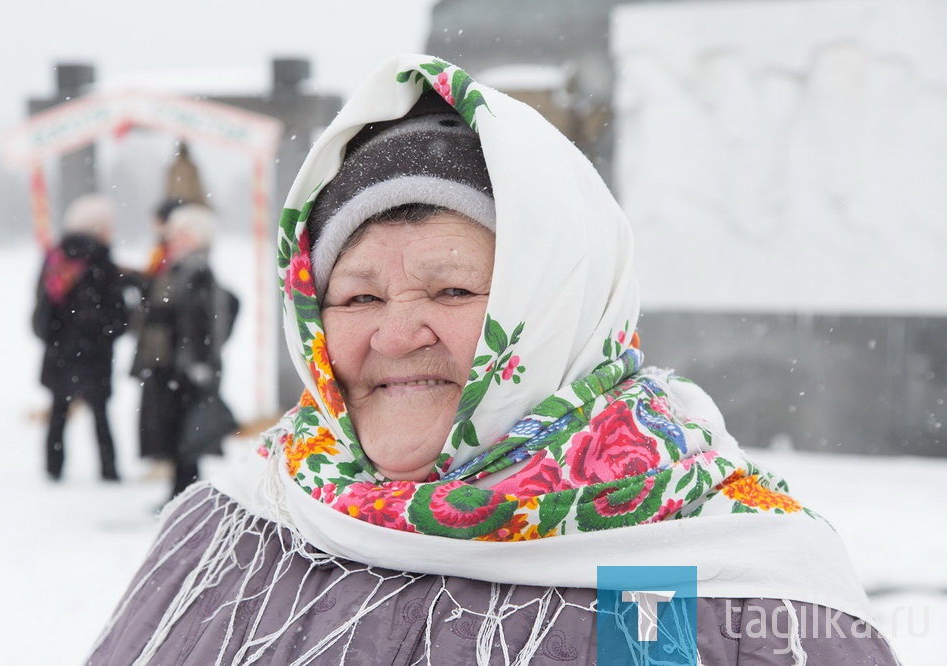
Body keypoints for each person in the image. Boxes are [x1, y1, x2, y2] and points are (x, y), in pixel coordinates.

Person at [88, 56, 899, 664]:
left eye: (450, 291)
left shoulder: (692, 573)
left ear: (555, 306)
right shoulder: (236, 527)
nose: (396, 335)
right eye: (360, 298)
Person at [129, 203, 240, 501]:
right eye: (173, 233)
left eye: (182, 234)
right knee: (180, 437)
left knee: (186, 438)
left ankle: (184, 498)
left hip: (184, 369)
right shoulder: (180, 268)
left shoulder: (196, 270)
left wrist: (195, 365)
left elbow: (200, 324)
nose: (173, 239)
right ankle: (180, 496)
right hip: (176, 368)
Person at [32, 194, 127, 482]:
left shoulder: (55, 259)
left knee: (59, 411)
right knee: (100, 413)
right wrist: (111, 331)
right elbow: (116, 314)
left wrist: (54, 337)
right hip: (95, 353)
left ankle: (53, 467)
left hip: (58, 350)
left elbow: (41, 308)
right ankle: (108, 470)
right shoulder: (102, 261)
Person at [128, 198, 185, 474]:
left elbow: (159, 289)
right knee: (155, 405)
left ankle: (164, 462)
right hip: (156, 343)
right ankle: (160, 461)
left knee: (161, 407)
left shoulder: (174, 253)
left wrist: (139, 281)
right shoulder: (163, 250)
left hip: (163, 344)